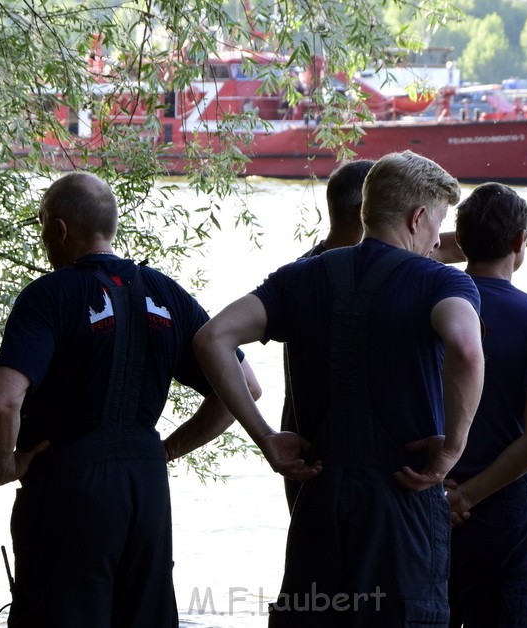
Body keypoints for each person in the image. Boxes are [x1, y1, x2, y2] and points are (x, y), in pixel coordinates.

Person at [194, 150, 486, 624]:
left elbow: (212, 337)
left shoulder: (299, 278)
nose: (436, 241)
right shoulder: (439, 283)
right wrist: (453, 448)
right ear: (418, 217)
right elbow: (467, 350)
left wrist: (266, 437)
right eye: (437, 224)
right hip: (402, 503)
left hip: (319, 500)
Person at [0, 172, 258, 627]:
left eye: (43, 223)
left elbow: (1, 401)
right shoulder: (167, 294)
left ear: (59, 228)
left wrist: (5, 465)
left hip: (69, 485)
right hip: (146, 486)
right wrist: (168, 449)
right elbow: (244, 387)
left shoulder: (48, 297)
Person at [279, 159, 527, 513]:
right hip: (337, 466)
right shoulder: (344, 280)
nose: (429, 240)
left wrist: (525, 239)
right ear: (367, 210)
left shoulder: (308, 274)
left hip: (384, 475)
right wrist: (458, 473)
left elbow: (436, 246)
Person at [443, 183, 527, 627]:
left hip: (423, 497)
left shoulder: (428, 304)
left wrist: (448, 495)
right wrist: (467, 497)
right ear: (520, 243)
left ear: (459, 241)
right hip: (499, 509)